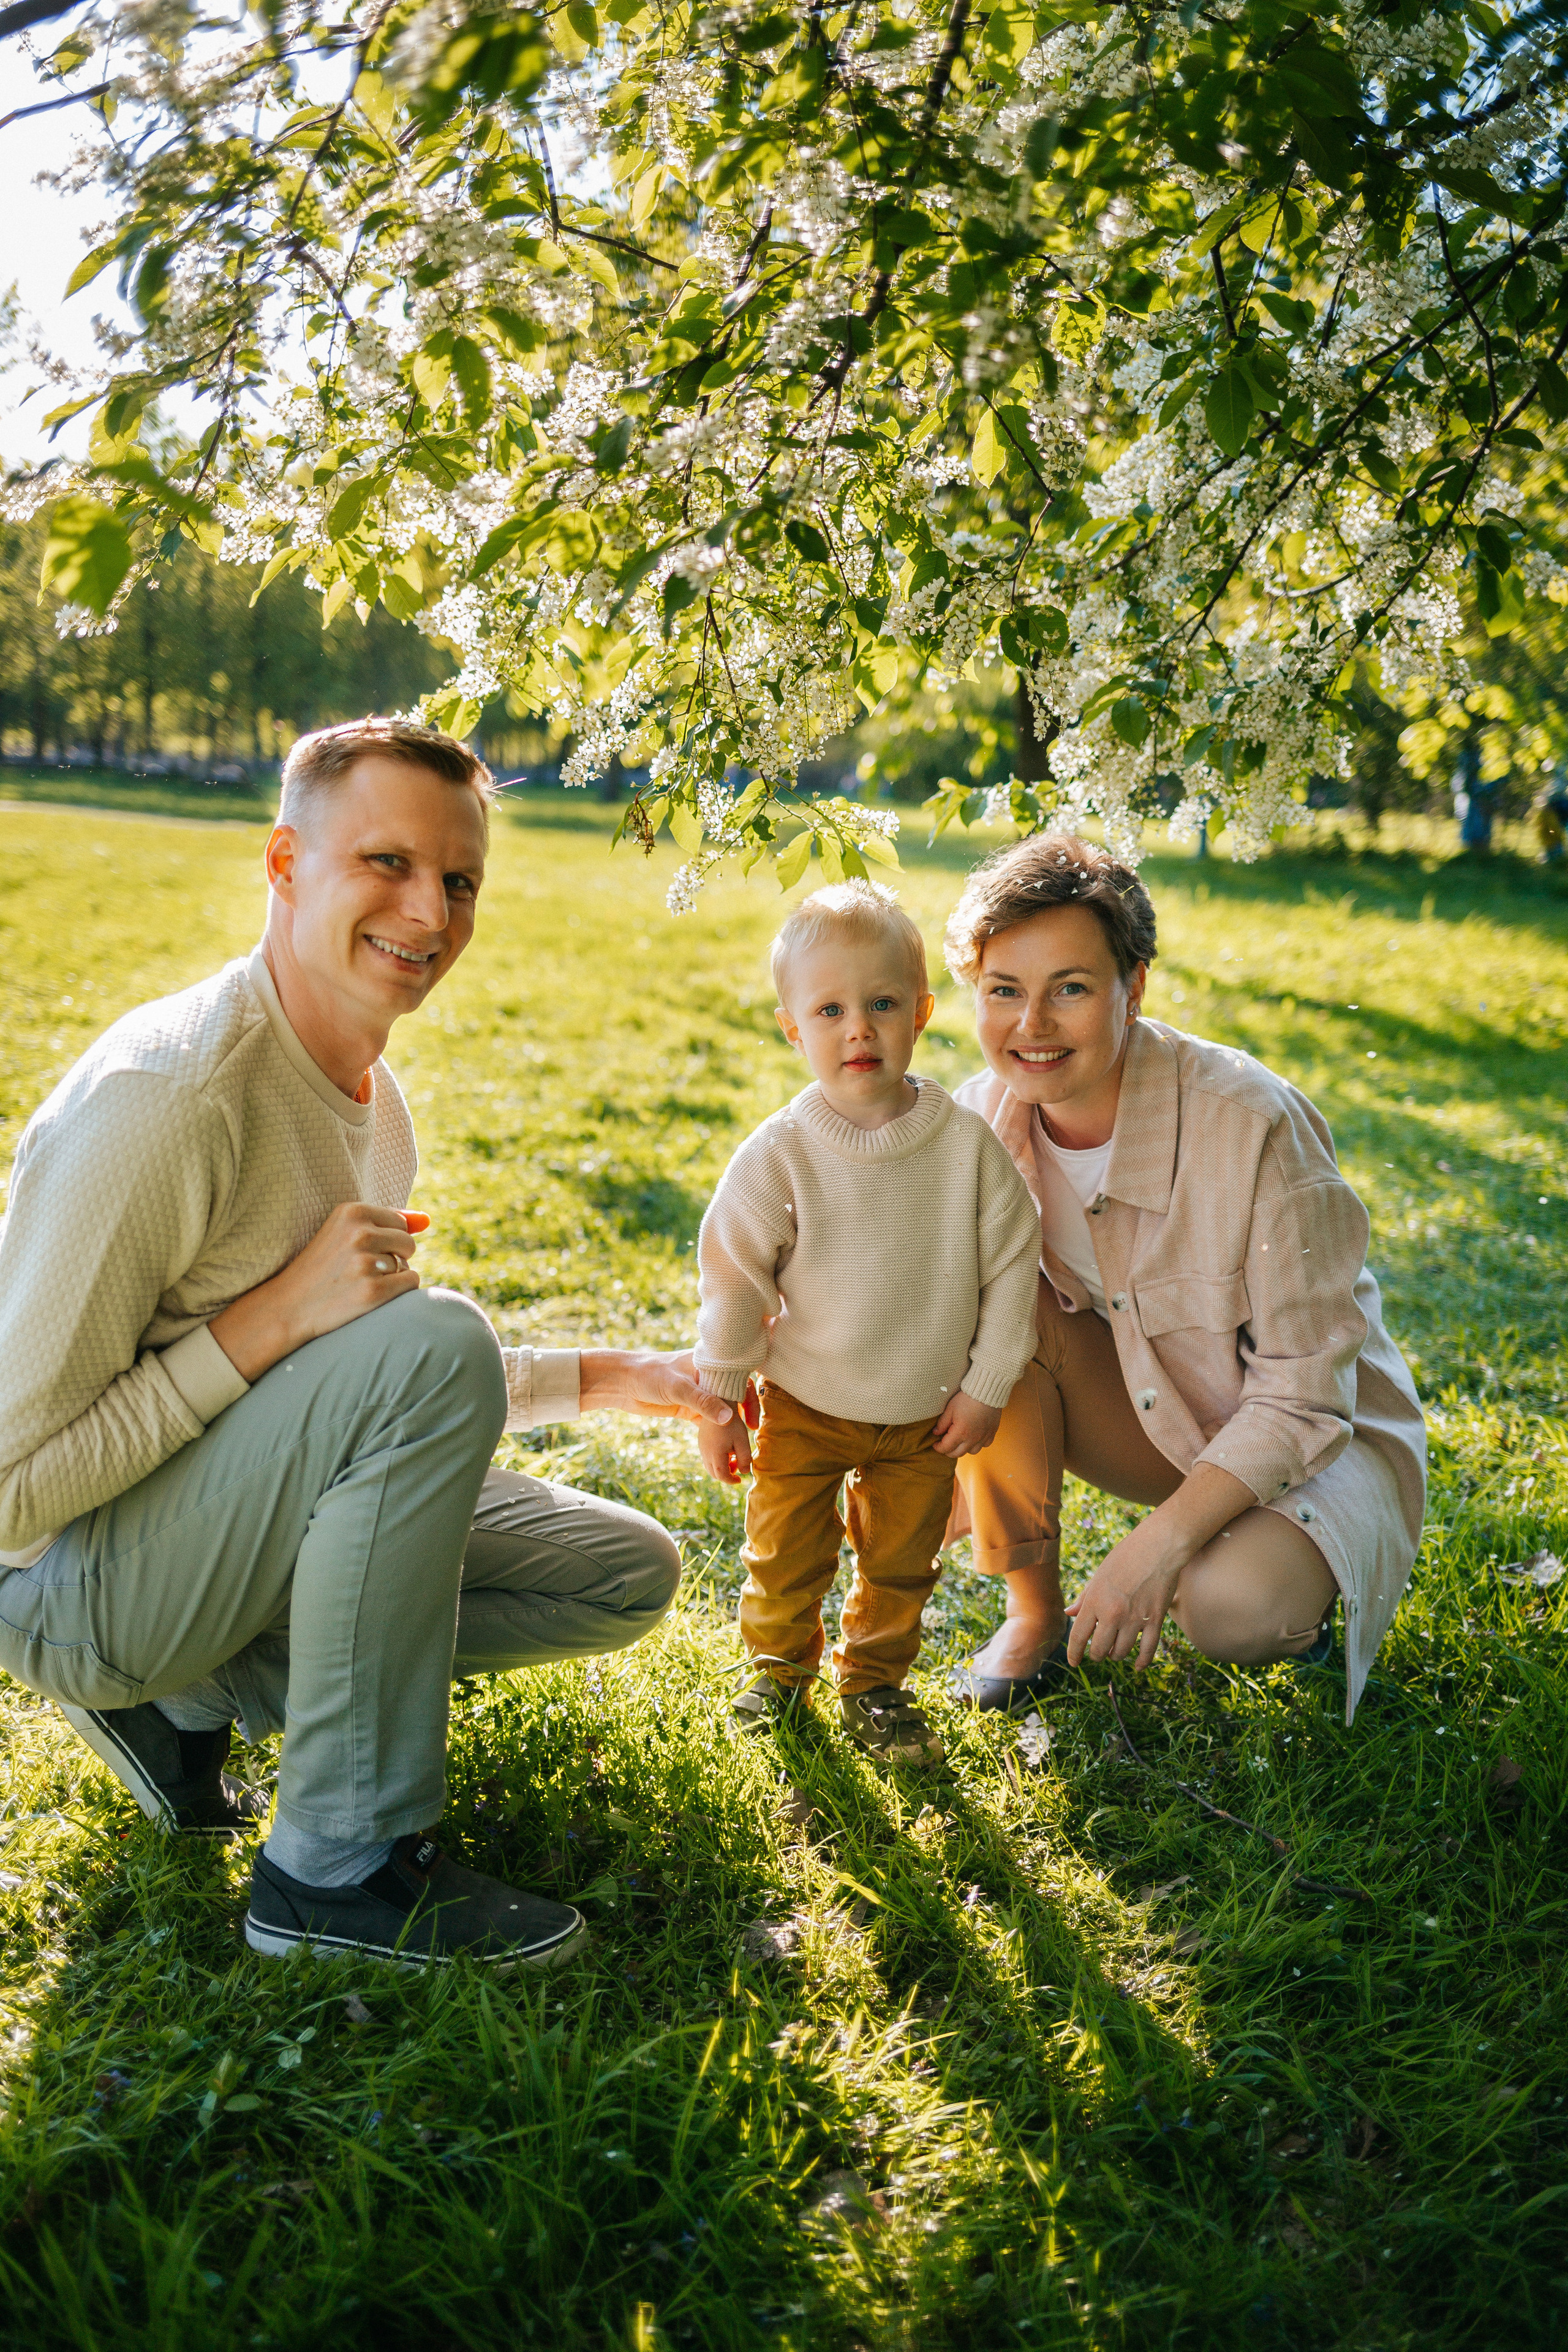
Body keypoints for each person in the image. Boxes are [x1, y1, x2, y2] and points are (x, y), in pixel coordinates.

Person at [0, 719, 736, 1970]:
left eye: (458, 880)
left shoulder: (371, 1103)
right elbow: (10, 1492)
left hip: (214, 1536)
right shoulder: (170, 1102)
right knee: (430, 1338)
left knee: (620, 1573)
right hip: (72, 1590)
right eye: (385, 864)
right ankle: (330, 1871)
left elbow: (371, 1398)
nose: (429, 911)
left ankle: (186, 1709)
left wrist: (622, 1379)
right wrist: (266, 1319)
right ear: (285, 863)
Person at [940, 834, 1426, 1725]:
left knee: (1229, 1608)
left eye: (1071, 989)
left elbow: (1308, 1396)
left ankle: (1294, 1587)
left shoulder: (1250, 1124)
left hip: (1320, 1439)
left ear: (1135, 987)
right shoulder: (975, 1125)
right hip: (1160, 1416)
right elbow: (919, 1307)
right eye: (1004, 991)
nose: (1031, 1026)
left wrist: (1150, 1551)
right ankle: (1035, 1618)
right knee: (1001, 1314)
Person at [692, 883, 1039, 1766]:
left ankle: (875, 1685)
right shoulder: (782, 1152)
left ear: (921, 1013)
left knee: (900, 1565)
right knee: (785, 1556)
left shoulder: (965, 1149)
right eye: (831, 1010)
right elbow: (735, 1274)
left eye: (883, 1004)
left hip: (924, 1415)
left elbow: (1013, 1268)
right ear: (792, 1028)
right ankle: (776, 1674)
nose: (860, 1029)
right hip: (805, 1399)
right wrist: (721, 1394)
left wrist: (987, 1384)